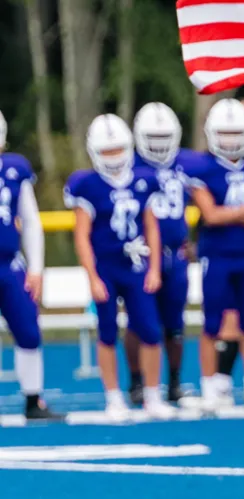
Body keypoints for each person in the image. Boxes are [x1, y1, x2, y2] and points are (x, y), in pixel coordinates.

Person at [68, 114, 172, 421]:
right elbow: (82, 235)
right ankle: (113, 397)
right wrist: (91, 275)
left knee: (151, 330)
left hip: (135, 264)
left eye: (117, 150)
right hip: (106, 265)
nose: (113, 158)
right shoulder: (86, 184)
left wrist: (154, 268)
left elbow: (152, 227)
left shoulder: (144, 179)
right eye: (106, 152)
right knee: (107, 332)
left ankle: (152, 394)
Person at [185, 99, 244, 410]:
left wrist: (231, 213)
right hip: (217, 254)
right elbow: (210, 216)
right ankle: (210, 389)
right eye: (224, 133)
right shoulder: (203, 167)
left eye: (236, 132)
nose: (230, 140)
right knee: (212, 323)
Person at [129, 102, 201, 407]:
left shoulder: (188, 163)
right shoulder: (128, 165)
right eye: (152, 138)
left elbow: (212, 193)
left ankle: (173, 381)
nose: (159, 146)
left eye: (164, 138)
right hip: (141, 255)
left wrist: (199, 239)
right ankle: (136, 383)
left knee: (174, 323)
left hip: (176, 252)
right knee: (139, 321)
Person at [0, 110, 57, 421]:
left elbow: (32, 220)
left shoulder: (13, 169)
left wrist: (36, 268)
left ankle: (34, 400)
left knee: (29, 331)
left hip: (9, 264)